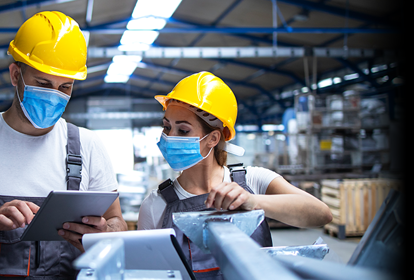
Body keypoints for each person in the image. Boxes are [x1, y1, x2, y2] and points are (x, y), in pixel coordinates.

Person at [137, 71, 333, 279]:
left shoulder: (253, 181)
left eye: (183, 130)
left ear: (213, 138)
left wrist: (253, 202)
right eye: (166, 127)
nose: (169, 138)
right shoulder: (155, 205)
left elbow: (321, 214)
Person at [0, 11, 127, 279]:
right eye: (43, 83)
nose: (54, 96)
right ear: (15, 75)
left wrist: (104, 234)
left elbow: (117, 222)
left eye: (65, 87)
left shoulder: (87, 146)